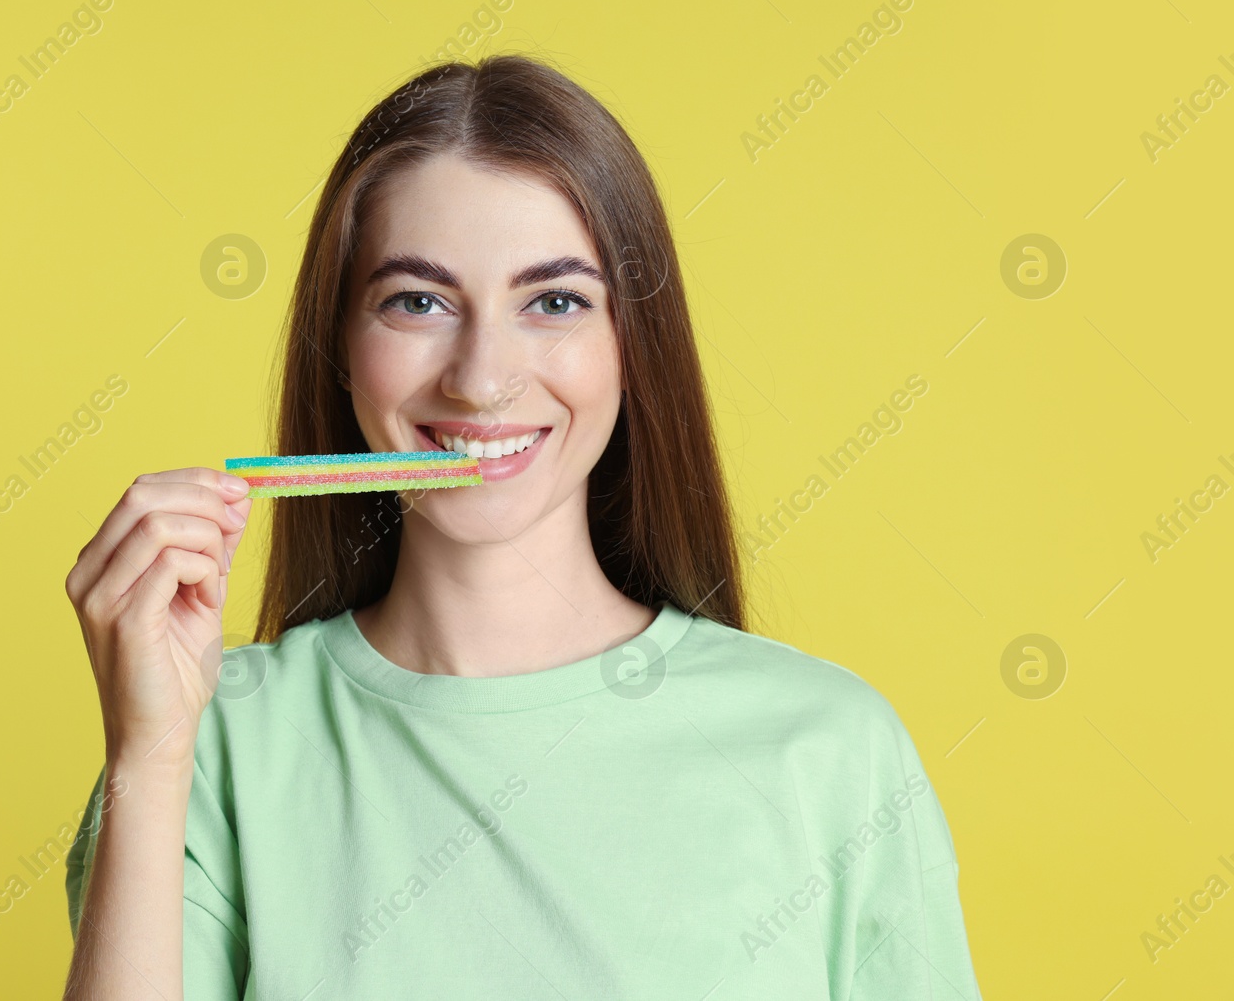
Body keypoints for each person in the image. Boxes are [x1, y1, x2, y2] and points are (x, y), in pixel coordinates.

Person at [60, 53, 981, 1000]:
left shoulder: (829, 746)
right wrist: (149, 753)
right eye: (418, 301)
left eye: (554, 301)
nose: (481, 377)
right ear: (341, 348)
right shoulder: (213, 741)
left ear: (633, 347)